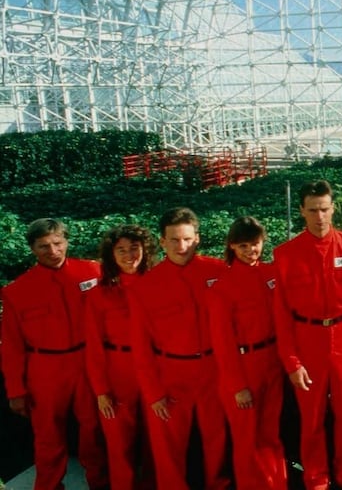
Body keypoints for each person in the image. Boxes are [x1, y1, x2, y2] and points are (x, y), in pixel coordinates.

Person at [273, 180, 342, 490]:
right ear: (302, 210)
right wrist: (292, 362)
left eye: (325, 209)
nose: (320, 217)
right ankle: (316, 480)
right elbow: (281, 317)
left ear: (333, 209)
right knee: (312, 419)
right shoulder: (286, 255)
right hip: (307, 341)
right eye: (313, 210)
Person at [1, 218, 109, 490]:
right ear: (32, 248)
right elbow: (11, 346)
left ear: (66, 241)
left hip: (87, 362)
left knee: (94, 428)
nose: (53, 251)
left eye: (58, 243)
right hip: (45, 369)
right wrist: (15, 390)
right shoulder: (17, 291)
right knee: (47, 434)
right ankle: (49, 485)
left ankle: (99, 481)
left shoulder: (93, 272)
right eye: (43, 246)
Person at [129, 207, 230, 490]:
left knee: (217, 438)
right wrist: (153, 393)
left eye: (187, 239)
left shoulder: (219, 272)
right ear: (162, 241)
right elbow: (141, 347)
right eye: (174, 240)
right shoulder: (145, 287)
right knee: (167, 445)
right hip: (170, 375)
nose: (181, 246)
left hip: (214, 370)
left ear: (197, 238)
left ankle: (218, 485)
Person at [207, 216, 288, 490]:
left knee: (271, 434)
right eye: (243, 245)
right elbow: (222, 342)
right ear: (232, 246)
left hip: (272, 361)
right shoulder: (222, 287)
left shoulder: (271, 274)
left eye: (255, 244)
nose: (251, 250)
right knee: (247, 440)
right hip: (244, 367)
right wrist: (237, 386)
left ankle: (277, 483)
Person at [84, 224, 158, 490]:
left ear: (145, 250)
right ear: (111, 255)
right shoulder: (99, 294)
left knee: (157, 442)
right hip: (118, 372)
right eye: (121, 250)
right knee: (119, 443)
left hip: (155, 370)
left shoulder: (158, 285)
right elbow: (94, 346)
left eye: (134, 248)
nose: (129, 255)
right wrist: (101, 390)